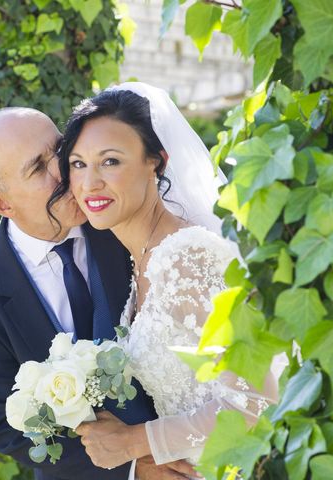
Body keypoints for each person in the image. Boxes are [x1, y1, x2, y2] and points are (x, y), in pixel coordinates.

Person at [0, 107, 196, 480]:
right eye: (38, 168)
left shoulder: (119, 214)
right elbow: (10, 431)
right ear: (2, 204)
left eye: (59, 150)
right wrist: (134, 467)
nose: (62, 171)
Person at [51, 83, 279, 476]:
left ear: (156, 161)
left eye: (110, 161)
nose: (90, 183)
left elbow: (258, 400)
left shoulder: (189, 259)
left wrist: (134, 441)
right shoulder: (139, 261)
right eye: (78, 163)